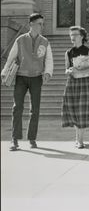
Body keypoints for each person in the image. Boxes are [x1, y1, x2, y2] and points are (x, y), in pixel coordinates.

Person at [1, 13, 54, 151]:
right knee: (17, 107)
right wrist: (5, 72)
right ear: (31, 24)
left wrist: (48, 72)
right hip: (21, 77)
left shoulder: (45, 42)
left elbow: (49, 59)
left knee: (34, 109)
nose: (42, 26)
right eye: (39, 24)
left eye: (43, 24)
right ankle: (14, 139)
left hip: (37, 78)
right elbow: (11, 57)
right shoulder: (20, 40)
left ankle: (32, 138)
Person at [62, 26, 89, 149]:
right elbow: (66, 68)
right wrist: (69, 70)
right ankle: (78, 138)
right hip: (72, 82)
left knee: (82, 110)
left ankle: (80, 140)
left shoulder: (88, 51)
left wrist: (80, 70)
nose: (72, 37)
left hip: (85, 82)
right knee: (74, 110)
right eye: (71, 35)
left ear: (81, 36)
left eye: (75, 34)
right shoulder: (68, 52)